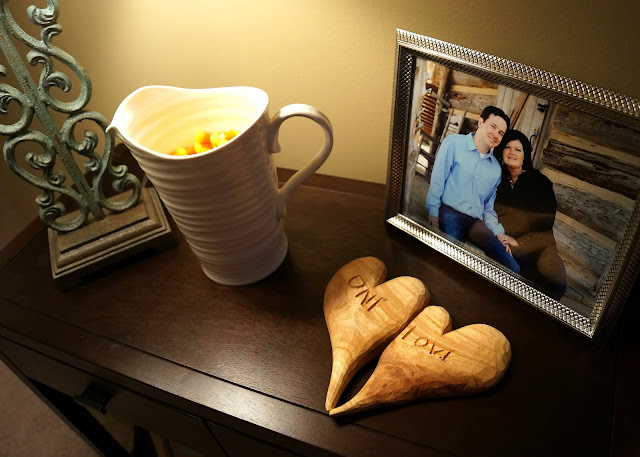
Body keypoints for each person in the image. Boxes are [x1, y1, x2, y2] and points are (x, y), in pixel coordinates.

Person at [471, 129, 567, 299]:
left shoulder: (541, 183)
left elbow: (546, 222)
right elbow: (484, 207)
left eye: (518, 149)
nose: (512, 153)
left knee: (553, 277)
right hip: (500, 236)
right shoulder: (495, 177)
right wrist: (500, 235)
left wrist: (518, 242)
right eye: (507, 147)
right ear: (501, 151)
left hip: (535, 243)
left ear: (525, 155)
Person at [425, 106, 520, 273]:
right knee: (451, 258)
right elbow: (438, 179)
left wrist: (499, 233)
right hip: (450, 212)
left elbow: (488, 209)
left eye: (501, 133)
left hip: (476, 223)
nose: (496, 134)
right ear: (481, 122)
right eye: (493, 126)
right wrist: (433, 210)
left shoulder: (495, 169)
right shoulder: (453, 143)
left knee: (512, 267)